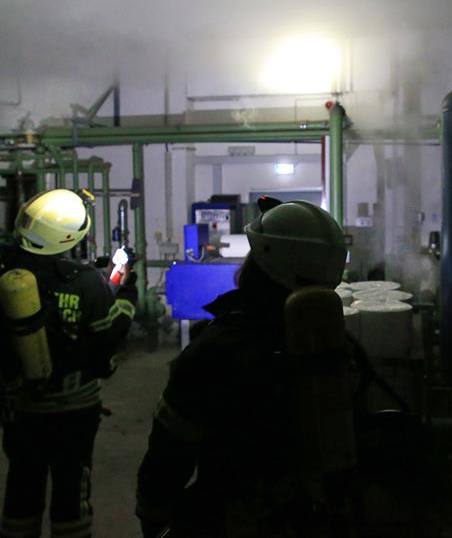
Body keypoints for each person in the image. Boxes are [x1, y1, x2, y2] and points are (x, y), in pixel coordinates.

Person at [135, 198, 349, 538]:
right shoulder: (337, 344)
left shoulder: (219, 351)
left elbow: (169, 453)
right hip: (313, 516)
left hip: (234, 516)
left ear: (261, 263)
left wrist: (153, 516)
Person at [0, 188, 137, 538]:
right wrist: (126, 290)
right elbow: (110, 336)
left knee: (22, 487)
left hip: (19, 408)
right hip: (74, 409)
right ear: (70, 237)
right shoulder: (85, 282)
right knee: (72, 490)